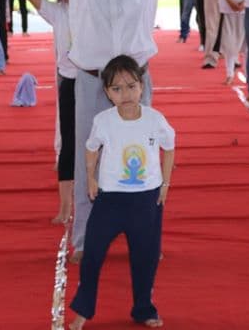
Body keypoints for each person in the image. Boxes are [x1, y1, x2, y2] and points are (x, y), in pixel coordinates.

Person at [51, 0, 175, 262]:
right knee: (87, 156)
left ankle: (146, 236)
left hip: (136, 80)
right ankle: (85, 238)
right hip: (90, 78)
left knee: (143, 154)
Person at [69, 55, 174, 330]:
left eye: (131, 86)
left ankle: (143, 309)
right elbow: (91, 148)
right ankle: (83, 310)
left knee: (145, 258)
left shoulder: (154, 119)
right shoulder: (104, 121)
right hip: (110, 201)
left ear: (142, 86)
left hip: (146, 200)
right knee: (92, 254)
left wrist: (164, 185)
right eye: (117, 88)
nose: (125, 94)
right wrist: (91, 179)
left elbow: (169, 147)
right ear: (107, 93)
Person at [23, 0, 76, 224]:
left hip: (96, 82)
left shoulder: (94, 11)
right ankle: (65, 206)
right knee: (68, 146)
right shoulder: (58, 12)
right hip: (69, 81)